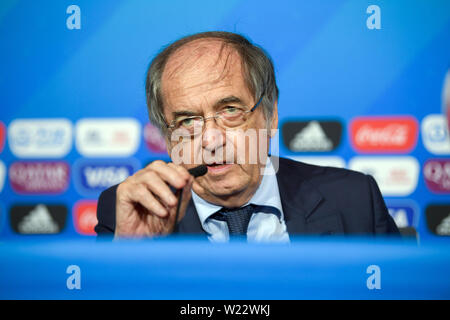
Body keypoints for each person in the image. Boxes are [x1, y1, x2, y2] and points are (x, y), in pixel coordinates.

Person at [95, 31, 399, 241]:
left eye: (230, 110)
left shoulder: (355, 199)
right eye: (187, 120)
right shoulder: (128, 212)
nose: (211, 140)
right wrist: (133, 257)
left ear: (270, 114)